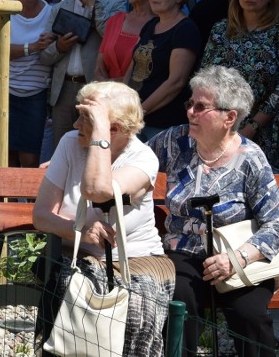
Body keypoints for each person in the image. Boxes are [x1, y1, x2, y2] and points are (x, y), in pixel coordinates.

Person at [148, 65, 279, 357]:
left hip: (238, 256)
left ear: (230, 117)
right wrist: (77, 160)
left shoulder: (251, 159)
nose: (190, 112)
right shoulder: (175, 141)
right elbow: (134, 161)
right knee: (178, 301)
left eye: (201, 106)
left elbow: (277, 226)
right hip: (184, 251)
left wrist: (236, 259)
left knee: (250, 314)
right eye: (190, 103)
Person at [33, 81, 175, 357]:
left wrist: (98, 133)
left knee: (132, 305)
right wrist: (79, 230)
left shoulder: (143, 158)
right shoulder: (70, 143)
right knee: (74, 287)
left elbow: (97, 191)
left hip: (136, 259)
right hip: (76, 254)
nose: (75, 125)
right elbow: (41, 216)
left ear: (115, 129)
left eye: (85, 118)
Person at [201, 0, 279, 173]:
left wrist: (251, 127)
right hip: (221, 127)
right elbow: (205, 79)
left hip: (267, 133)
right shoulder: (221, 30)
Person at [40, 0, 124, 145]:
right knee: (62, 147)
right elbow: (43, 54)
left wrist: (93, 5)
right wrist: (59, 47)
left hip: (95, 86)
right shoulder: (60, 7)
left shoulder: (116, 5)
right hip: (63, 88)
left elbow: (113, 40)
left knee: (94, 144)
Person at [0, 0, 55, 167]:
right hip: (4, 91)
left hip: (35, 94)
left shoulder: (52, 13)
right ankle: (7, 200)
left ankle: (27, 199)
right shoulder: (5, 11)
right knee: (5, 155)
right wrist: (31, 47)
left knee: (30, 156)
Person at [125, 0, 201, 140]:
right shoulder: (151, 25)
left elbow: (176, 82)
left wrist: (139, 112)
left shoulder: (185, 29)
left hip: (161, 123)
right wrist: (123, 103)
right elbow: (132, 66)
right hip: (134, 116)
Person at [95, 0, 158, 80]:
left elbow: (146, 75)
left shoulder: (161, 25)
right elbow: (99, 68)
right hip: (106, 96)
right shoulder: (115, 20)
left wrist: (109, 86)